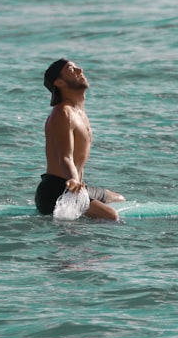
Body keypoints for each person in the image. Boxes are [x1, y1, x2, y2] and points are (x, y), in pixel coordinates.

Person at [35, 59, 124, 220]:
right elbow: (65, 157)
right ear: (59, 82)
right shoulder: (63, 113)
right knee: (112, 217)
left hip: (77, 186)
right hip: (57, 191)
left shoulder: (78, 112)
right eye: (71, 69)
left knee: (119, 199)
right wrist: (73, 180)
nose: (79, 70)